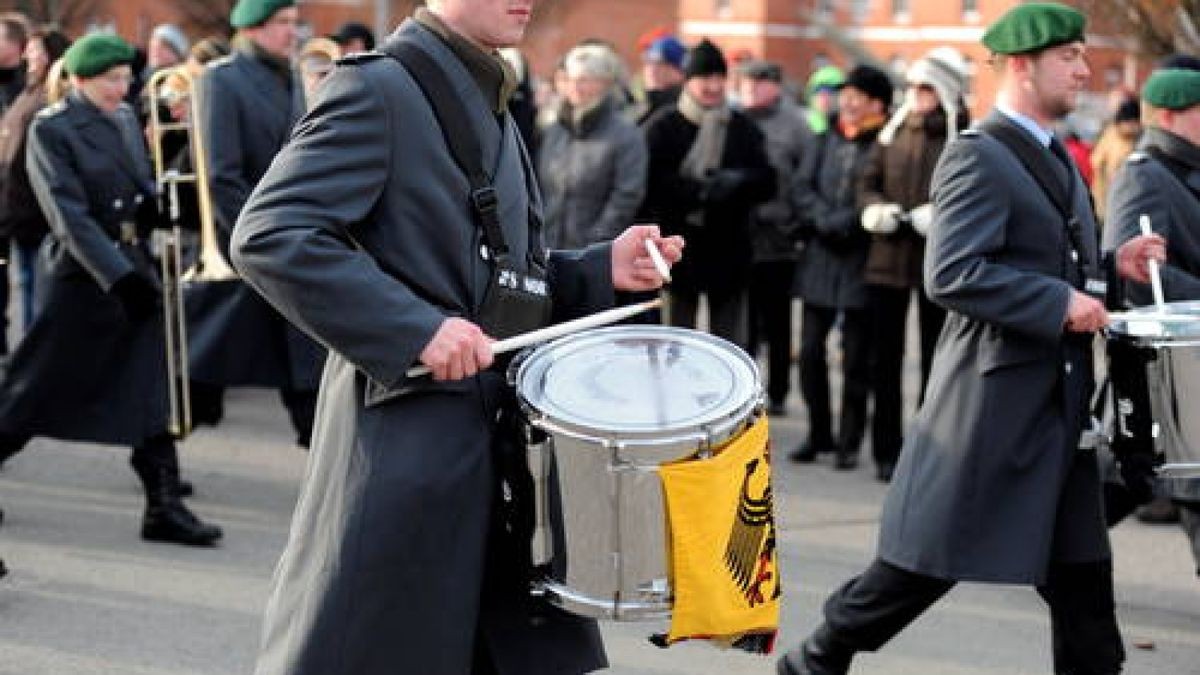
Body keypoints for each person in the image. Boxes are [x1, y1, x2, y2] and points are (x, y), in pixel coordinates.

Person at [230, 1, 683, 672]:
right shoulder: (377, 87)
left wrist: (597, 268)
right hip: (410, 448)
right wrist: (414, 328)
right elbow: (269, 235)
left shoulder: (486, 88)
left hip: (491, 455)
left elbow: (496, 280)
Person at [776, 5, 1166, 673]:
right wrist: (1056, 301)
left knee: (1085, 593)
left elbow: (1053, 261)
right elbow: (952, 271)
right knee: (918, 568)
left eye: (1081, 54)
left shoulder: (1055, 154)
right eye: (1067, 56)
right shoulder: (978, 153)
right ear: (1021, 65)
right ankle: (818, 655)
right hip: (994, 407)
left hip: (1059, 408)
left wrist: (1112, 264)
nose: (1084, 67)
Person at [0, 34, 221, 547]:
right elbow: (68, 216)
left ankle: (163, 506)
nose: (123, 88)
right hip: (85, 280)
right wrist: (117, 277)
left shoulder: (123, 118)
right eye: (111, 80)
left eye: (125, 77)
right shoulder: (52, 128)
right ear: (79, 80)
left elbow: (137, 184)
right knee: (34, 392)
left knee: (149, 385)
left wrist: (155, 209)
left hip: (132, 267)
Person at [189, 0, 324, 439]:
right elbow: (221, 176)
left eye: (293, 22)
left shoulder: (291, 78)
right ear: (250, 29)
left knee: (307, 381)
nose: (293, 32)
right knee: (196, 379)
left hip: (288, 245)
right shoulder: (221, 79)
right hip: (250, 248)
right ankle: (159, 471)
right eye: (282, 23)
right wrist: (259, 241)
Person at [1103, 66, 1200, 576]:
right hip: (1166, 367)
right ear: (1169, 115)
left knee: (1123, 482)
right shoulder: (1145, 173)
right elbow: (1138, 275)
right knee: (1132, 479)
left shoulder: (1186, 172)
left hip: (1187, 364)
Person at [856, 47, 968, 481]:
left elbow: (970, 192)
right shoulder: (892, 133)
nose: (919, 95)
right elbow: (866, 181)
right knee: (884, 360)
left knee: (936, 362)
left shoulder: (962, 137)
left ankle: (929, 448)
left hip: (935, 266)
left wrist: (942, 215)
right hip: (885, 262)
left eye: (928, 87)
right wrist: (873, 209)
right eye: (916, 87)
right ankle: (886, 448)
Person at [789, 64, 893, 468]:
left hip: (860, 260)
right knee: (812, 352)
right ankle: (819, 434)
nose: (847, 103)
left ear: (877, 104)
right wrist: (821, 219)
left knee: (855, 359)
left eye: (857, 97)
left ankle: (850, 441)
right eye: (845, 95)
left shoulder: (883, 143)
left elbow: (878, 192)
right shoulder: (824, 139)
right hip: (819, 255)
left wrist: (849, 222)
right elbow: (801, 186)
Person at [641, 39, 774, 347]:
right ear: (689, 81)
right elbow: (651, 184)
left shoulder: (743, 127)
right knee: (674, 343)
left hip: (730, 252)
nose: (713, 86)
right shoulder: (664, 125)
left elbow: (769, 181)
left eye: (719, 78)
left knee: (729, 348)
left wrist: (738, 181)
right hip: (678, 252)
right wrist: (699, 192)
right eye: (705, 78)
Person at [738, 59, 810, 415]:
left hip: (779, 239)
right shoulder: (735, 119)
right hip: (742, 237)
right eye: (746, 83)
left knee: (778, 322)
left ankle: (779, 391)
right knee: (745, 322)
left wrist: (793, 223)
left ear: (775, 86)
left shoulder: (796, 124)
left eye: (758, 83)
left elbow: (805, 177)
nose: (750, 90)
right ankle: (747, 390)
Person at [538, 43, 646, 249]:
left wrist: (595, 244)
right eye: (570, 79)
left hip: (595, 251)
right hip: (548, 247)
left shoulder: (626, 133)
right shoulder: (554, 130)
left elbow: (626, 195)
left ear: (604, 83)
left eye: (585, 80)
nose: (575, 87)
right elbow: (538, 187)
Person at [0, 28, 69, 339]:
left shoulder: (47, 97)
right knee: (28, 289)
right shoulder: (28, 92)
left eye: (36, 50)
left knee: (38, 295)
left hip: (34, 213)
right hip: (17, 209)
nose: (28, 55)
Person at [1091, 96, 1142, 225]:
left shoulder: (1139, 140)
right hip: (1105, 198)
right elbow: (1096, 162)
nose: (1133, 127)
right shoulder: (1111, 136)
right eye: (1130, 123)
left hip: (1130, 198)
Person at [632, 35, 686, 126]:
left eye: (661, 64)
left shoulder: (684, 111)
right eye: (649, 62)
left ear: (678, 71)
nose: (652, 70)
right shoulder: (641, 109)